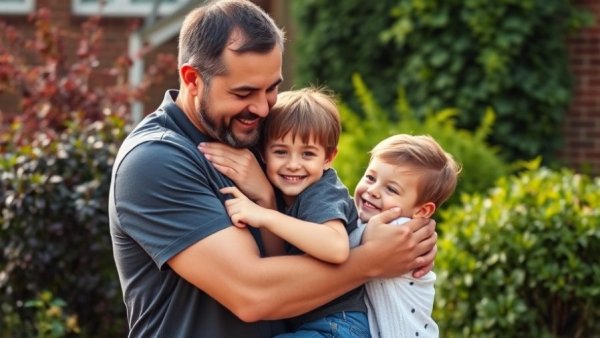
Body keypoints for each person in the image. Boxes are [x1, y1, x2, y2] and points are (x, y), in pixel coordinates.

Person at [109, 1, 437, 337]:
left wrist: (404, 231)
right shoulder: (154, 161)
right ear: (193, 80)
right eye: (244, 92)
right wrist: (374, 260)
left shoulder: (261, 135)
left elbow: (324, 211)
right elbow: (251, 293)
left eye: (272, 88)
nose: (263, 107)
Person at [220, 87, 370, 337]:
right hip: (309, 322)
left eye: (308, 154)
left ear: (328, 158)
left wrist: (266, 215)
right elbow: (280, 260)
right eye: (280, 151)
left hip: (338, 324)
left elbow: (336, 247)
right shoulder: (283, 196)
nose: (293, 164)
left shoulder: (322, 191)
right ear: (263, 153)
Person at [349, 134, 461, 338]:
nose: (373, 190)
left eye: (391, 189)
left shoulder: (399, 229)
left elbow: (338, 243)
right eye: (370, 178)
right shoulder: (378, 223)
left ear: (422, 211)